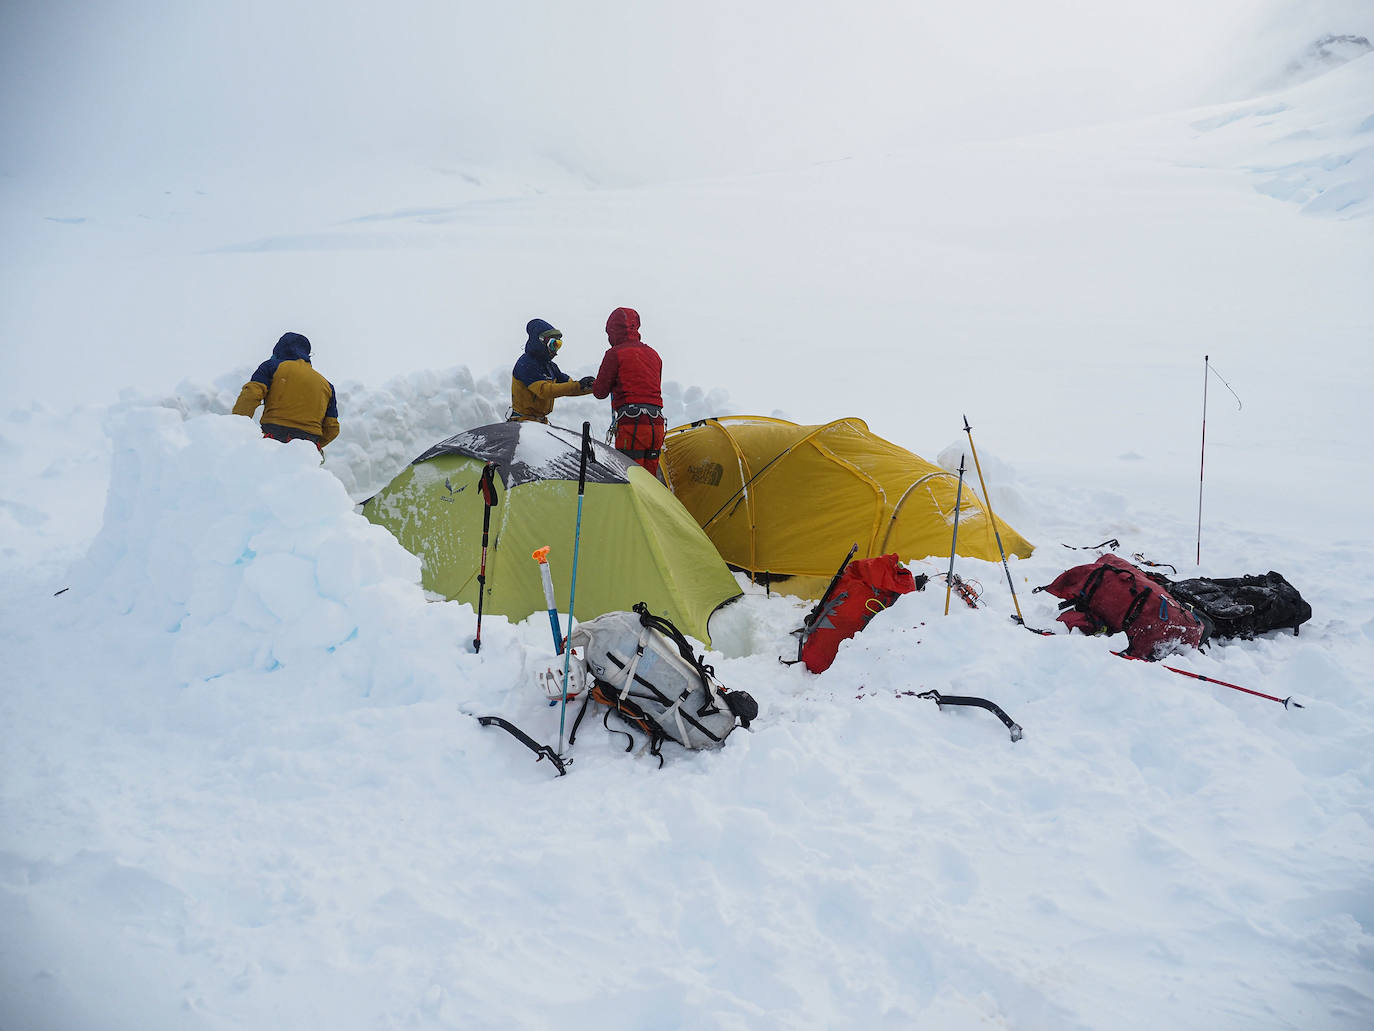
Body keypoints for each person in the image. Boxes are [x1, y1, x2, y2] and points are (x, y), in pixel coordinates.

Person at [231, 332, 340, 448]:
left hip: (273, 436)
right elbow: (332, 428)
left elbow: (251, 394)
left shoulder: (271, 366)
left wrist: (236, 428)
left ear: (278, 349)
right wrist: (312, 447)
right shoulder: (327, 386)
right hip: (308, 442)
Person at [592, 307, 665, 476]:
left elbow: (600, 392)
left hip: (632, 425)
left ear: (613, 330)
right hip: (657, 424)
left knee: (631, 479)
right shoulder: (654, 355)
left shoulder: (614, 353)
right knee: (649, 483)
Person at [509, 318, 594, 423]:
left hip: (539, 422)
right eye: (553, 344)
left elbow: (570, 386)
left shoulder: (550, 367)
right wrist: (578, 385)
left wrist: (593, 387)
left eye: (558, 345)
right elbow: (544, 391)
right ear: (539, 341)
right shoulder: (526, 363)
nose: (555, 351)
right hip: (523, 422)